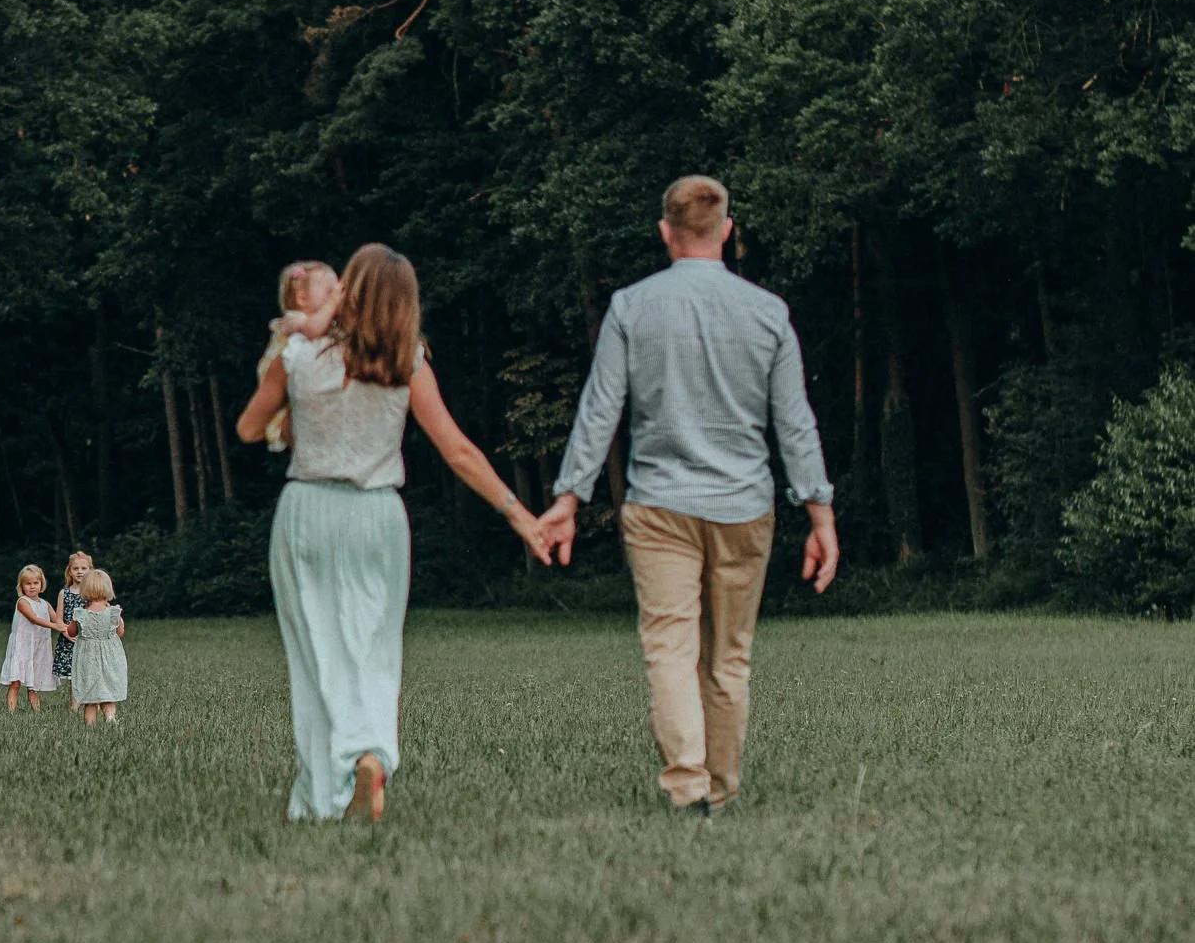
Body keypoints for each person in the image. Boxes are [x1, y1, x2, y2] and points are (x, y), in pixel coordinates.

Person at [540, 175, 838, 816]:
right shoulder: (767, 312)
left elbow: (600, 412)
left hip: (660, 507)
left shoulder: (631, 307)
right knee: (729, 658)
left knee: (670, 649)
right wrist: (820, 514)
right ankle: (722, 790)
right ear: (727, 231)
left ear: (665, 232)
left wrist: (568, 498)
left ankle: (686, 787)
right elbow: (794, 421)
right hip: (744, 508)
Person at [238, 241, 551, 824]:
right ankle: (369, 753)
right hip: (379, 517)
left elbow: (250, 427)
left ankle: (320, 796)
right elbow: (457, 450)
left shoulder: (299, 356)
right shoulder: (409, 361)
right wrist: (520, 515)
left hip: (307, 509)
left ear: (349, 290)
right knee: (374, 651)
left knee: (315, 656)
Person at [256, 260, 341, 453]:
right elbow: (312, 331)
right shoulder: (297, 319)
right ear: (302, 299)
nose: (337, 298)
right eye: (330, 293)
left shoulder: (323, 323)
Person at [70, 567, 127, 726]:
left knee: (90, 699)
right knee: (107, 694)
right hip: (110, 659)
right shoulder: (114, 612)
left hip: (88, 659)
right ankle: (110, 718)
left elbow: (71, 632)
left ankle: (90, 727)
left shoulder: (80, 613)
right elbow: (120, 632)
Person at [1, 564, 58, 712]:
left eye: (35, 583)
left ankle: (37, 712)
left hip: (38, 647)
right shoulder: (22, 602)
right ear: (22, 586)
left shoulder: (45, 604)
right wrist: (55, 626)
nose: (32, 587)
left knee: (34, 685)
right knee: (16, 682)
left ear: (41, 584)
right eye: (28, 583)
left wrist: (68, 628)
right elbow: (34, 619)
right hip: (23, 645)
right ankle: (11, 712)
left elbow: (58, 619)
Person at [55, 549, 92, 705]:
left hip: (89, 640)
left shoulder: (92, 593)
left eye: (84, 568)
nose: (80, 572)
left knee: (90, 674)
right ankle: (74, 706)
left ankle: (93, 704)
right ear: (69, 571)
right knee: (74, 676)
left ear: (90, 570)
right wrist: (67, 633)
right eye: (75, 568)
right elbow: (58, 620)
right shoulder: (64, 593)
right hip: (70, 640)